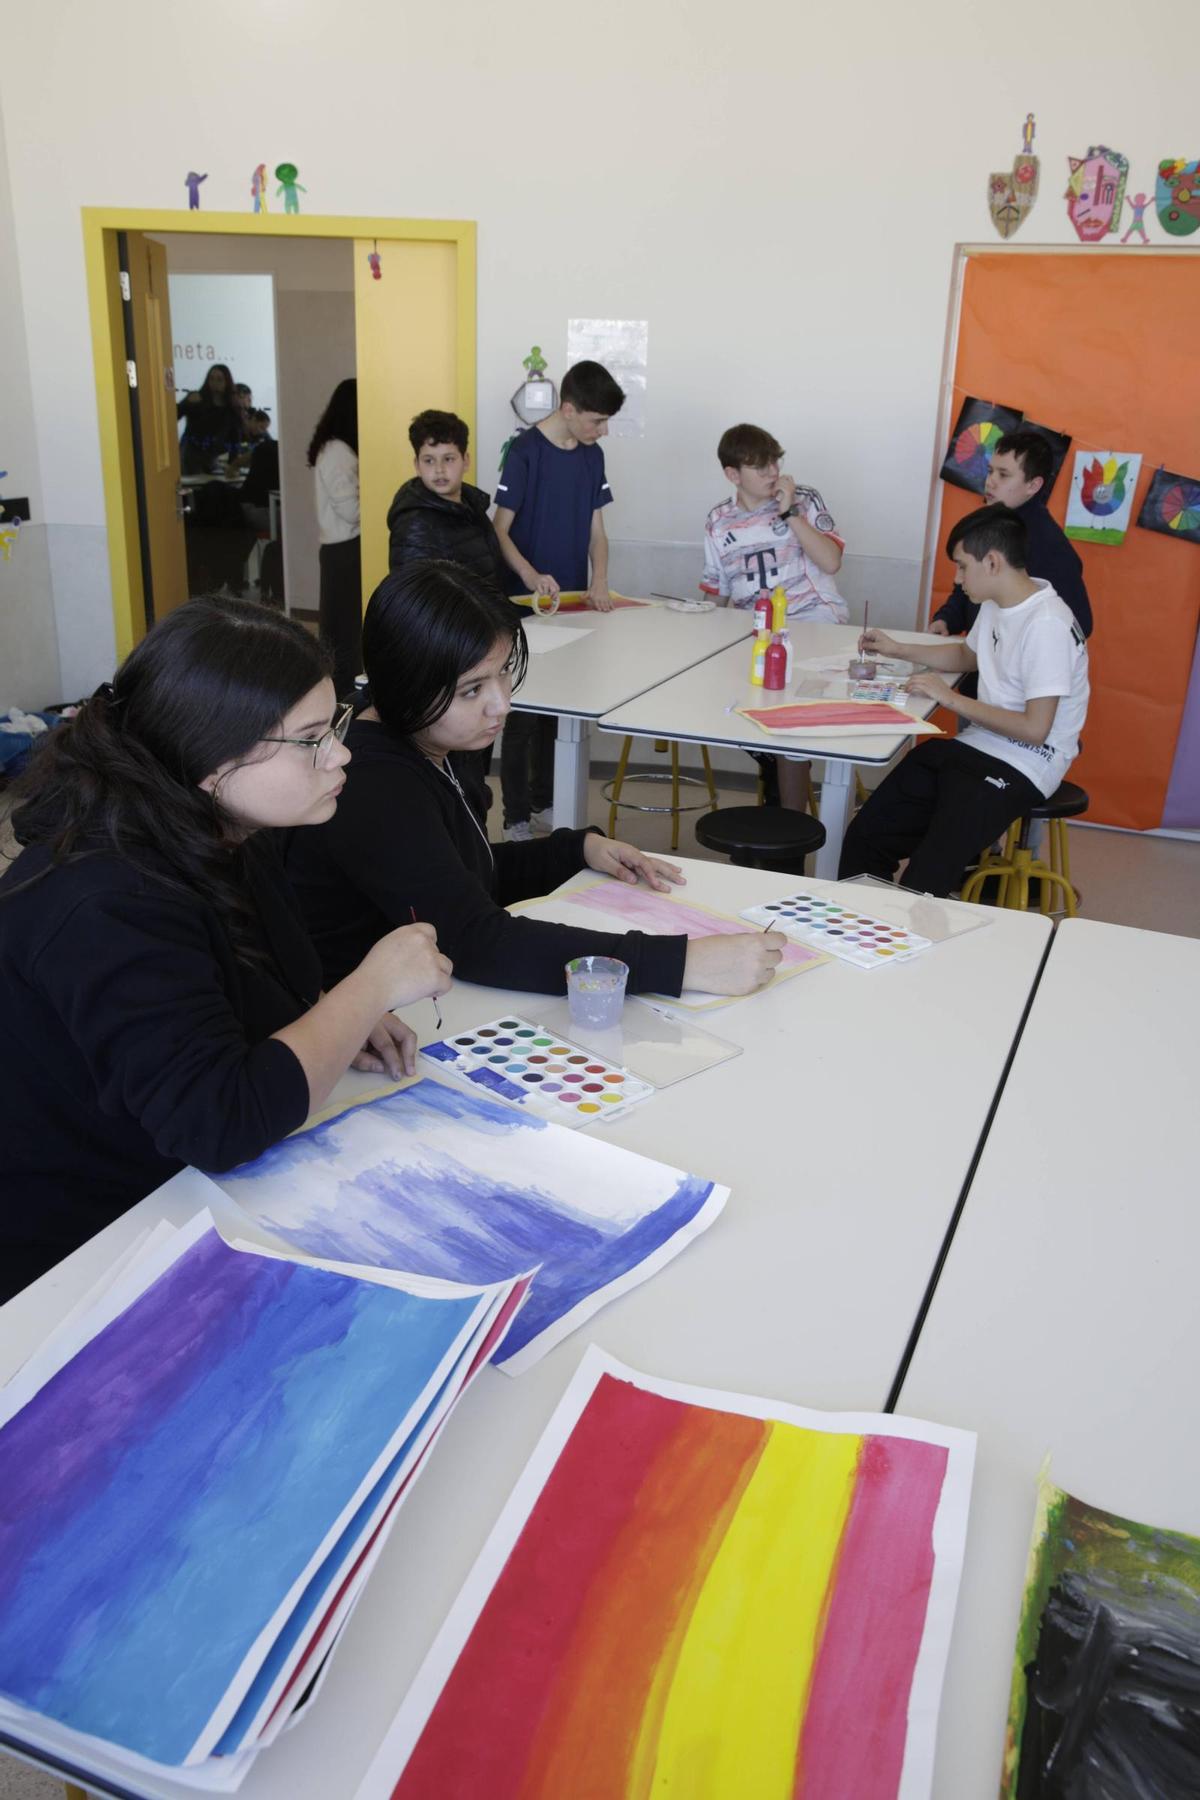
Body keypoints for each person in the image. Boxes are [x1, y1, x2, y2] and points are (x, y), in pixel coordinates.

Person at [0, 596, 451, 1301]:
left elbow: (245, 990)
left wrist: (330, 1022)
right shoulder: (108, 901)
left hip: (184, 1196)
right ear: (211, 759)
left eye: (334, 723)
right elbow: (218, 1121)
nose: (340, 753)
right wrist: (369, 989)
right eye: (310, 739)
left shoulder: (217, 827)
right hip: (80, 1266)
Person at [285, 561, 785, 1000]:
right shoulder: (374, 785)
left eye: (504, 674)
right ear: (405, 684)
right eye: (473, 689)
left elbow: (459, 874)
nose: (501, 703)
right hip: (374, 1030)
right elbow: (478, 941)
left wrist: (573, 851)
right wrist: (683, 964)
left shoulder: (432, 737)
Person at [839, 504, 1089, 896]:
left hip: (1025, 761)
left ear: (992, 562)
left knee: (928, 877)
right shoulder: (997, 605)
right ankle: (858, 928)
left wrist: (949, 698)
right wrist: (898, 649)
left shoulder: (1046, 625)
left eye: (961, 566)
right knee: (863, 839)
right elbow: (966, 655)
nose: (957, 579)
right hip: (976, 746)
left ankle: (908, 940)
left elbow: (1035, 729)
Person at [493, 359, 624, 840]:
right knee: (523, 714)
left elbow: (598, 531)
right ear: (568, 409)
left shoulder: (591, 455)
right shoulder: (526, 451)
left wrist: (600, 581)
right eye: (596, 420)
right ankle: (516, 818)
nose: (603, 430)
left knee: (559, 713)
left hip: (572, 607)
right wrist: (530, 576)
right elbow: (499, 530)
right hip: (524, 607)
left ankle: (549, 804)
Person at [701, 422, 848, 810]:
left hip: (813, 623)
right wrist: (697, 631)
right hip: (756, 632)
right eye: (759, 466)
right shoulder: (718, 520)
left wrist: (792, 513)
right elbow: (716, 589)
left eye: (774, 463)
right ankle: (773, 787)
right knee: (720, 697)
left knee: (789, 717)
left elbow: (831, 562)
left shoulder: (804, 499)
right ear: (733, 475)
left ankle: (791, 820)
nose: (772, 473)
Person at [931, 430, 1093, 657]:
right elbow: (968, 586)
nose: (991, 481)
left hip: (1015, 684)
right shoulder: (990, 522)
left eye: (1004, 474)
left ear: (1033, 485)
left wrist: (1013, 659)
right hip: (977, 668)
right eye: (990, 471)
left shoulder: (1050, 547)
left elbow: (1079, 624)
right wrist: (947, 619)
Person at [387, 409, 508, 592]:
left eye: (448, 459)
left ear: (465, 461)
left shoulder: (472, 507)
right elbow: (413, 600)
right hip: (453, 621)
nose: (439, 470)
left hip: (482, 618)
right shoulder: (414, 525)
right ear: (417, 465)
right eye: (429, 461)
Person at [308, 378, 362, 699]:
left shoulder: (335, 448)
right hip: (344, 551)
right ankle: (342, 698)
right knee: (343, 631)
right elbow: (352, 511)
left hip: (340, 551)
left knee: (342, 628)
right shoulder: (338, 451)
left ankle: (341, 695)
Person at [176, 364, 242, 475]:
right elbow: (174, 415)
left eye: (219, 379)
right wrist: (187, 403)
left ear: (227, 382)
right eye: (211, 379)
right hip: (191, 453)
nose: (215, 383)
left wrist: (233, 464)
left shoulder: (231, 407)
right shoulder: (197, 398)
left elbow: (235, 437)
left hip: (212, 455)